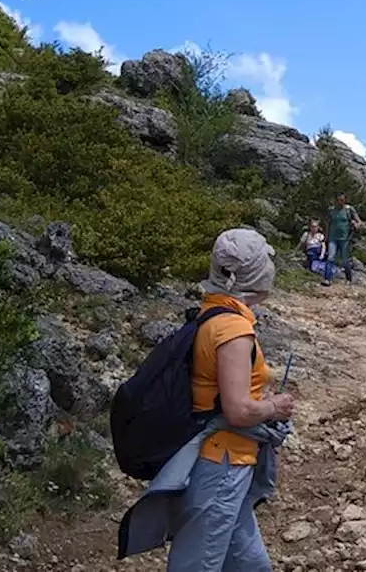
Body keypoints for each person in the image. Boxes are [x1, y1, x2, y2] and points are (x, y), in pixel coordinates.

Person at [120, 228, 295, 571]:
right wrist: (274, 407)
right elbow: (239, 410)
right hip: (221, 466)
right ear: (255, 273)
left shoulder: (213, 314)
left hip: (223, 462)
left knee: (251, 565)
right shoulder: (233, 329)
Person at [322, 193, 361, 287]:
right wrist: (326, 237)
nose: (340, 202)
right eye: (339, 200)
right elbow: (328, 224)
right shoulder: (331, 210)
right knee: (330, 258)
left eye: (342, 200)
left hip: (345, 238)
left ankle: (348, 279)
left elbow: (359, 221)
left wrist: (356, 224)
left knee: (345, 260)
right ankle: (327, 279)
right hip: (333, 238)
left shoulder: (349, 209)